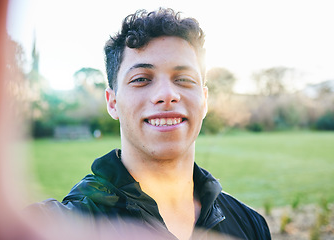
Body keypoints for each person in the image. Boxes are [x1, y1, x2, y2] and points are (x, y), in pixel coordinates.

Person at [34, 8, 271, 240]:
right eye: (141, 79)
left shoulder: (250, 225)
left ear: (205, 100)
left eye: (184, 79)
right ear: (113, 102)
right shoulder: (64, 226)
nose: (167, 94)